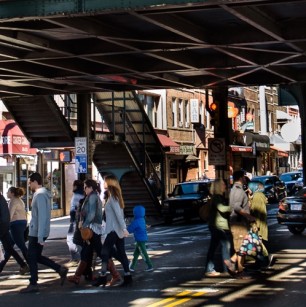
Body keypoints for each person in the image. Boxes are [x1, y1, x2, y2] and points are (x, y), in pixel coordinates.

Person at [20, 172, 68, 293]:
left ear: (36, 182)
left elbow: (41, 217)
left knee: (32, 257)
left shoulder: (40, 195)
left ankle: (33, 283)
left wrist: (40, 236)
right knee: (36, 257)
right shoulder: (41, 194)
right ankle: (59, 269)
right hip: (37, 231)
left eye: (30, 182)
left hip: (36, 232)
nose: (29, 184)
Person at [67, 179, 120, 286]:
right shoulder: (94, 196)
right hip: (93, 229)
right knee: (86, 253)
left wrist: (84, 224)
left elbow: (91, 214)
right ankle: (77, 276)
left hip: (92, 229)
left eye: (85, 187)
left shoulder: (92, 197)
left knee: (100, 252)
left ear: (90, 187)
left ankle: (116, 275)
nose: (84, 189)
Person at [93, 174, 132, 287]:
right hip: (116, 230)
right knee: (121, 253)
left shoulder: (113, 198)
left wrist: (124, 228)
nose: (103, 183)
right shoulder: (114, 197)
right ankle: (127, 275)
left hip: (113, 230)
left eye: (105, 181)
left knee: (105, 253)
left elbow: (119, 215)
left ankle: (103, 277)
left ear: (109, 182)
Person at [225, 170, 255, 278]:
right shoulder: (238, 191)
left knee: (243, 246)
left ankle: (235, 265)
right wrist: (249, 216)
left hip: (239, 222)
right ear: (241, 178)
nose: (245, 179)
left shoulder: (236, 189)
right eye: (244, 177)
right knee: (241, 247)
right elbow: (237, 207)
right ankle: (237, 267)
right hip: (239, 223)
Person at [204, 179, 233, 277]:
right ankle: (227, 268)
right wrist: (232, 207)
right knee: (226, 245)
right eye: (223, 184)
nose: (225, 186)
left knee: (213, 247)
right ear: (218, 186)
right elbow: (221, 208)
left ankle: (209, 269)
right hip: (218, 226)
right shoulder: (217, 198)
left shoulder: (219, 197)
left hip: (216, 225)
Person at [0, 187, 29, 272]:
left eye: (8, 192)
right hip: (21, 224)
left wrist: (6, 227)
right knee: (9, 248)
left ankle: (31, 264)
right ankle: (23, 265)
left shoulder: (13, 201)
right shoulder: (20, 200)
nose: (6, 193)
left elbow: (9, 215)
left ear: (12, 193)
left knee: (21, 246)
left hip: (15, 225)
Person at [250, 182, 273, 268]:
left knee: (258, 242)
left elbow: (254, 211)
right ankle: (261, 260)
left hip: (257, 223)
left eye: (249, 187)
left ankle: (266, 259)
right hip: (260, 222)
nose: (247, 189)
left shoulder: (256, 196)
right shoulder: (260, 195)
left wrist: (255, 225)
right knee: (258, 242)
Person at [127, 205, 153, 272]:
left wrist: (124, 230)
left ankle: (150, 266)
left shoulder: (136, 221)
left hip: (139, 240)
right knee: (136, 254)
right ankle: (132, 267)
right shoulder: (142, 219)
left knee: (143, 253)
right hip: (142, 238)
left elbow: (130, 228)